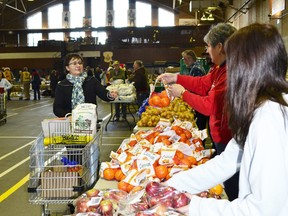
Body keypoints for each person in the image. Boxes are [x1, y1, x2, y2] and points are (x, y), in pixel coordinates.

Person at [164, 23, 288, 216]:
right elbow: (226, 161)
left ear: (247, 68)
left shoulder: (268, 120)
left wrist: (195, 207)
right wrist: (170, 186)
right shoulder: (258, 108)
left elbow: (265, 210)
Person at [159, 23, 238, 200]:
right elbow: (202, 84)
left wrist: (183, 94)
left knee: (233, 187)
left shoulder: (230, 72)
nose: (207, 51)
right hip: (221, 136)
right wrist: (176, 77)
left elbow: (209, 106)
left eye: (209, 46)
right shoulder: (220, 68)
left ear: (219, 47)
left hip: (228, 138)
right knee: (227, 181)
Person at [53, 53, 118, 117]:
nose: (78, 65)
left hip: (90, 120)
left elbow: (104, 94)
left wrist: (110, 95)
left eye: (80, 63)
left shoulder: (91, 81)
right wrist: (70, 116)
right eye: (74, 63)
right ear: (67, 68)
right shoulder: (62, 85)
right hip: (70, 122)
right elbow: (57, 109)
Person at [181, 49, 207, 130]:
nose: (184, 61)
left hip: (199, 103)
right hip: (199, 102)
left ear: (190, 58)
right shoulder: (196, 67)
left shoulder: (196, 69)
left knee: (199, 127)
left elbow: (196, 87)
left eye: (185, 59)